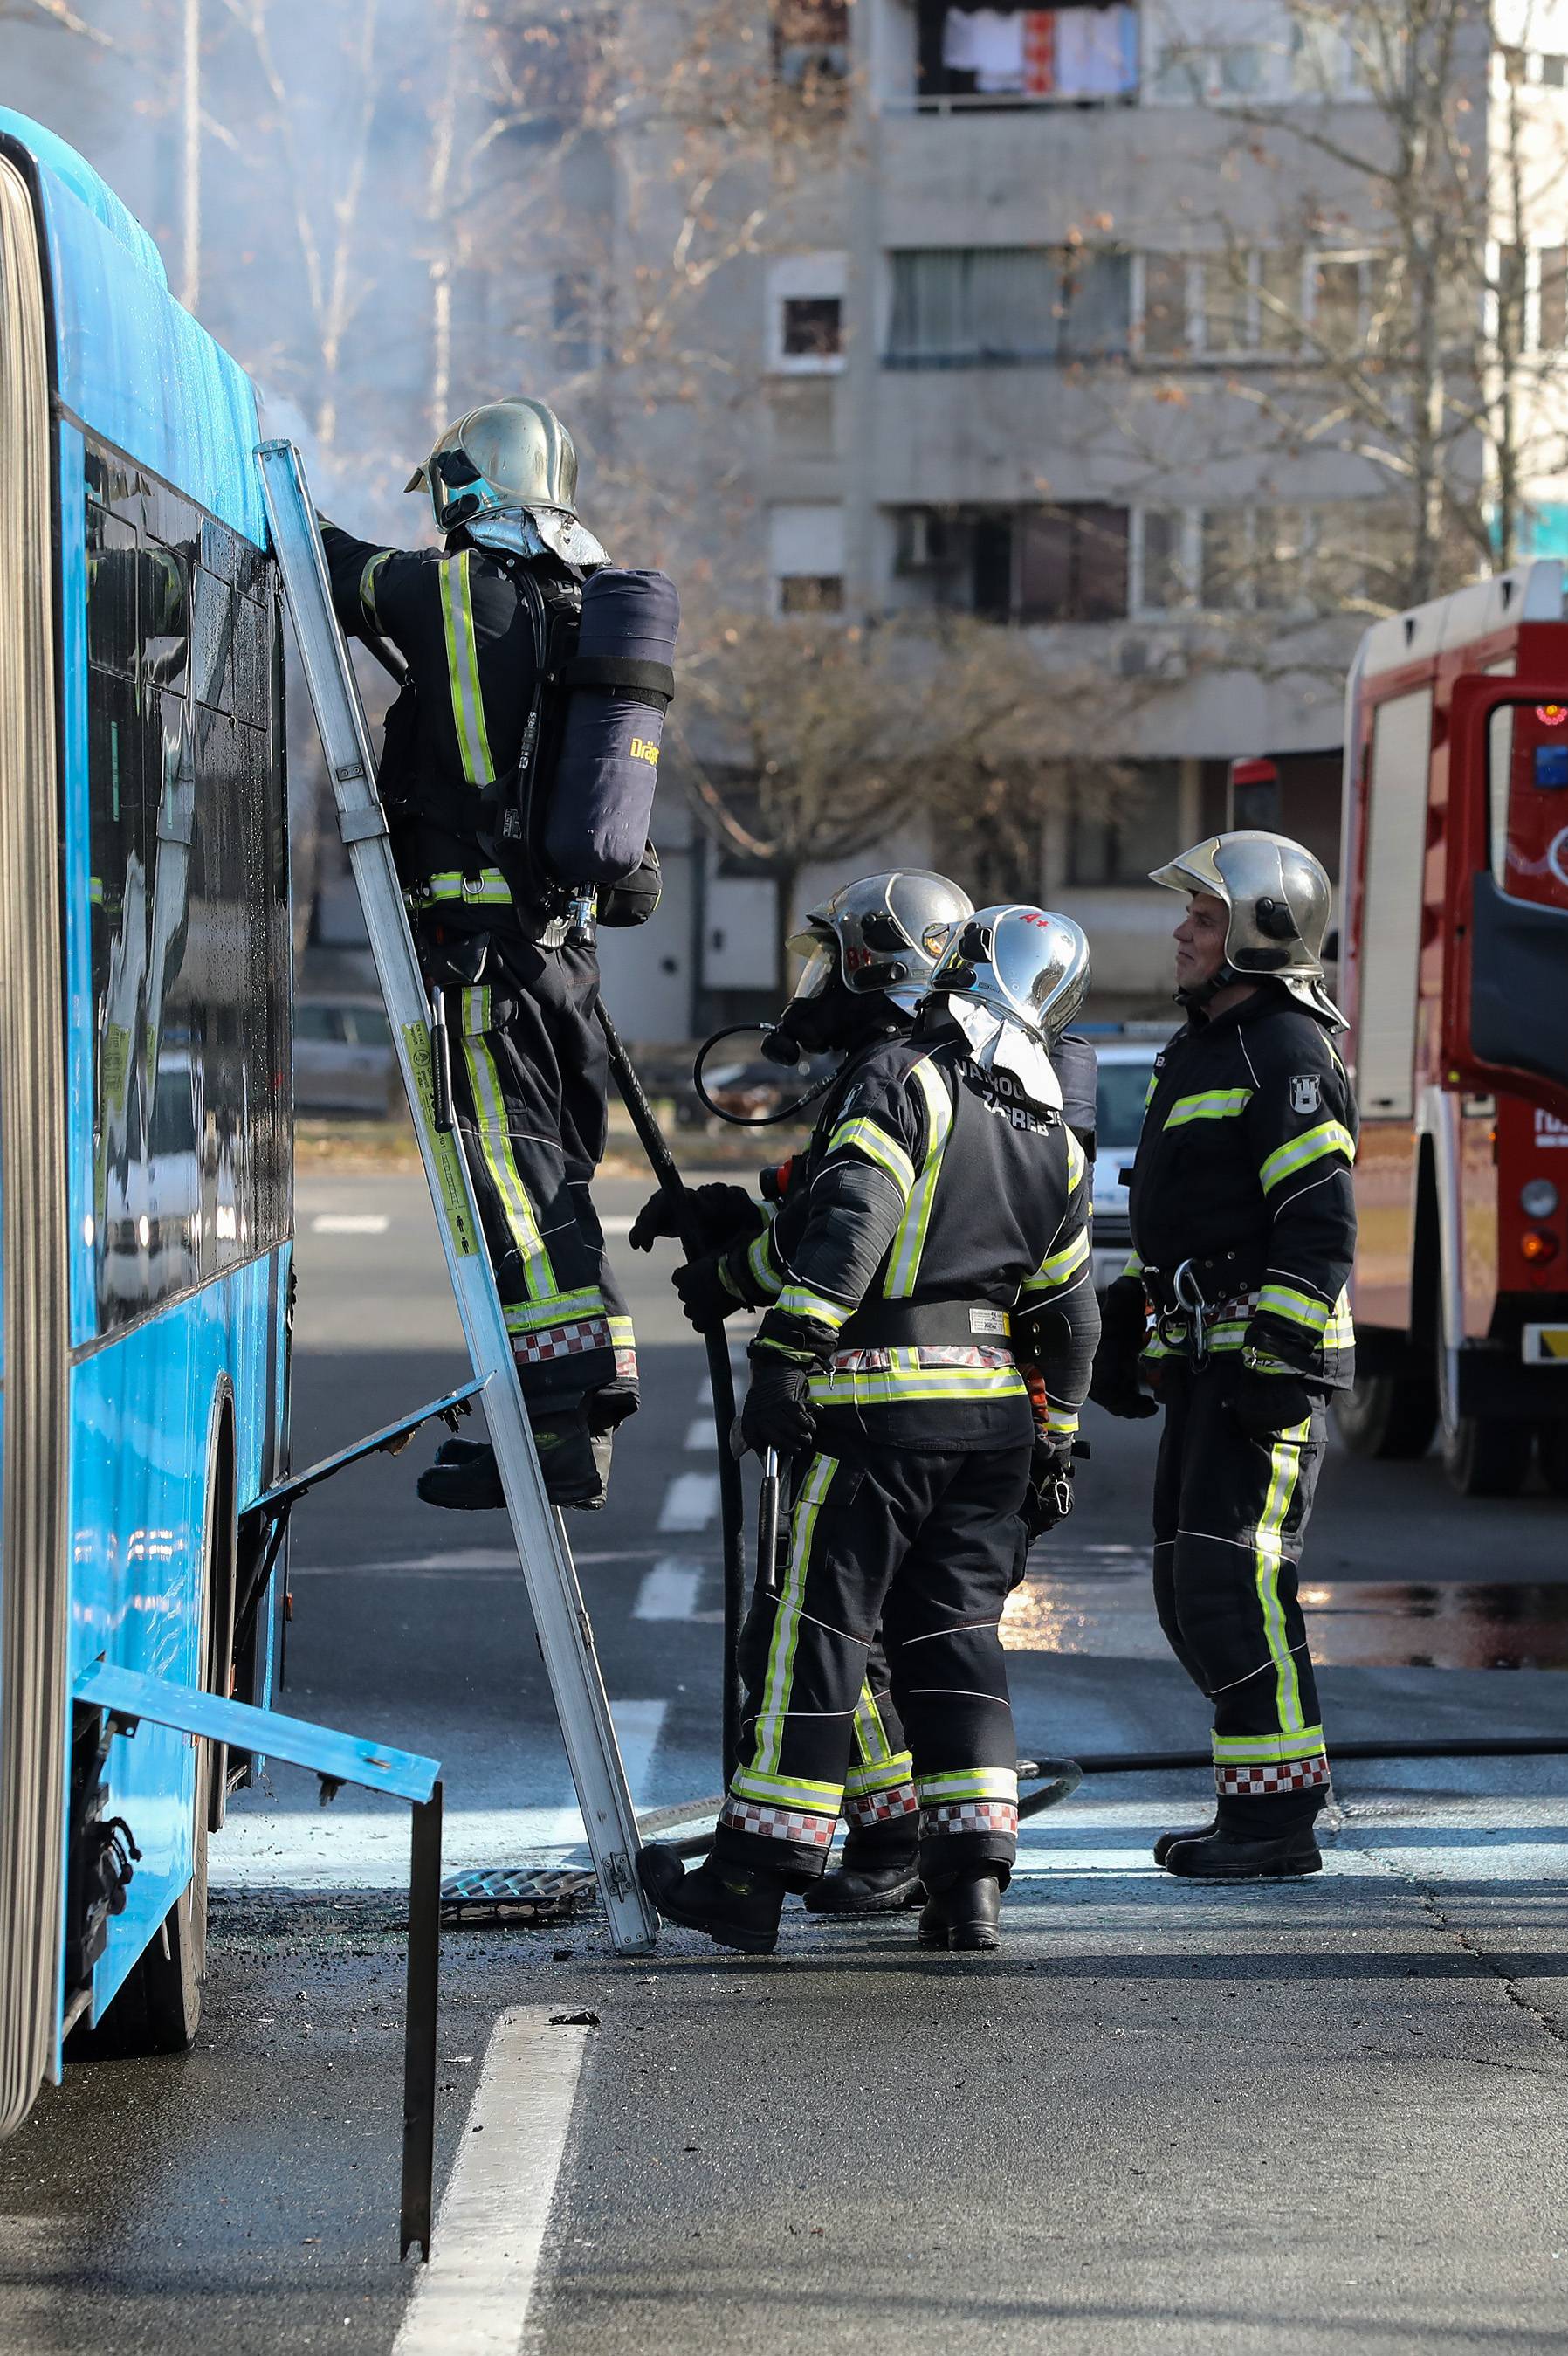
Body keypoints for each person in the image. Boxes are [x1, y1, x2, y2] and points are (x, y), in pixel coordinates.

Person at [637, 897, 1098, 1954]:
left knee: (816, 1636)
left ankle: (752, 1878)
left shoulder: (905, 1081)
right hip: (993, 1430)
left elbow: (853, 1227)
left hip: (878, 1410)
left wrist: (787, 1351)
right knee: (954, 1644)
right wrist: (1058, 1439)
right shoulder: (1044, 1128)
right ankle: (969, 1885)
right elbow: (1071, 1316)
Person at [319, 398, 659, 1512]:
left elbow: (339, 568)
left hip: (482, 956)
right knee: (552, 1167)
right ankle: (574, 1410)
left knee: (507, 1169)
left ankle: (558, 1419)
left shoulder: (457, 590)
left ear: (473, 487)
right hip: (561, 956)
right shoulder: (581, 608)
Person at [1089, 830, 1357, 1882]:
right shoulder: (1205, 1046)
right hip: (1210, 1355)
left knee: (1234, 1587)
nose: (1182, 933)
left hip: (1266, 1367)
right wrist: (1135, 1317)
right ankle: (1256, 1804)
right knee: (1186, 1590)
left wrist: (1281, 1354)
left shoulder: (1286, 1049)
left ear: (1259, 929)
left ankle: (1278, 1821)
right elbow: (1197, 1216)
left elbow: (1320, 1225)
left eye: (1203, 918)